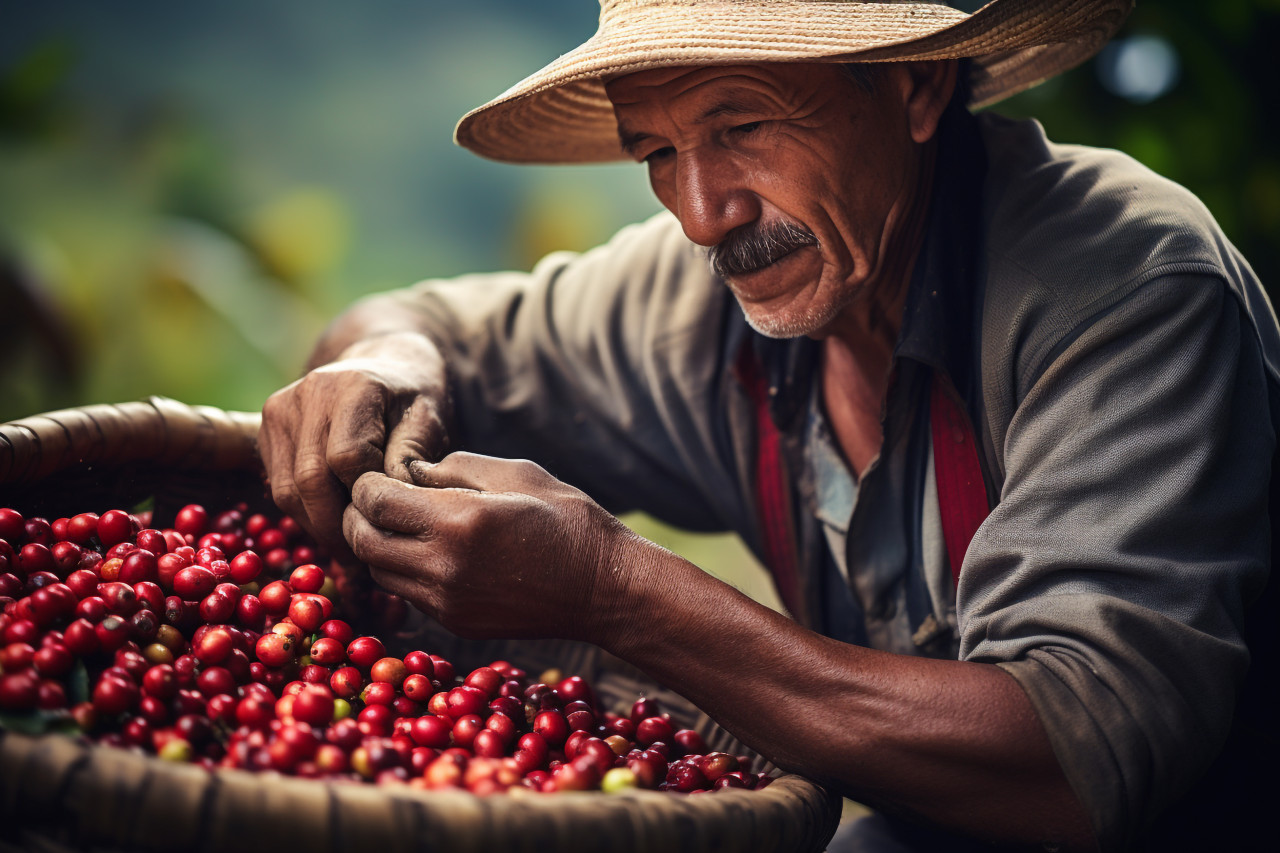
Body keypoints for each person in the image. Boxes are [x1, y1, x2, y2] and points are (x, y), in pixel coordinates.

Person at [258, 1, 1279, 850]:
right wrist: (373, 365)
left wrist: (614, 590)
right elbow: (423, 329)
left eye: (742, 126)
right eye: (656, 150)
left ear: (915, 87)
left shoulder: (1122, 290)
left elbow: (1069, 766)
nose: (702, 214)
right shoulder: (713, 288)